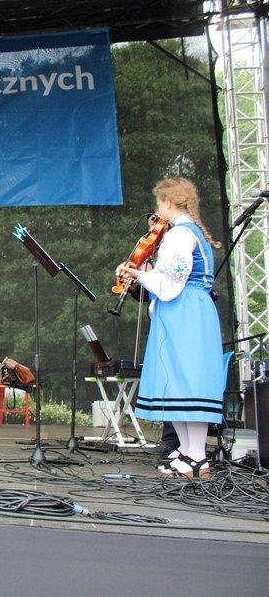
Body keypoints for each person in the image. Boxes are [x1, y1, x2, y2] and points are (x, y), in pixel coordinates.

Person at [116, 177, 225, 478]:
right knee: (179, 383)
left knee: (187, 382)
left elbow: (171, 285)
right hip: (188, 309)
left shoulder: (179, 235)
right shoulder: (188, 233)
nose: (157, 208)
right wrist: (145, 273)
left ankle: (197, 456)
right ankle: (189, 453)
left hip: (184, 311)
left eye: (159, 202)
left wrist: (138, 275)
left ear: (169, 202)